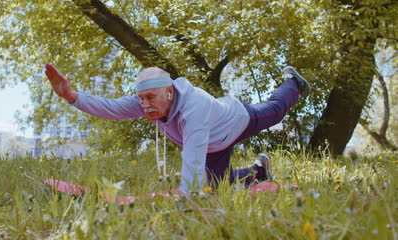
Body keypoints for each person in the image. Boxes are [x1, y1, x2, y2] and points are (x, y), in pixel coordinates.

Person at [45, 63, 310, 196]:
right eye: (141, 99)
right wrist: (71, 96)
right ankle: (258, 171)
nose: (144, 105)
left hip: (237, 120)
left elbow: (192, 160)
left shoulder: (194, 109)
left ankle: (293, 83)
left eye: (150, 98)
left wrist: (187, 202)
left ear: (169, 92)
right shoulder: (147, 100)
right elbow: (112, 108)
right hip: (213, 145)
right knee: (216, 187)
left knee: (275, 111)